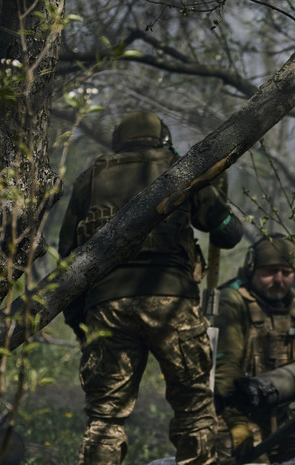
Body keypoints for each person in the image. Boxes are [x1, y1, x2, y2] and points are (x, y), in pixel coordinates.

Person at [58, 111, 243, 465]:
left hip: (107, 304)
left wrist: (81, 322)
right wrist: (215, 193)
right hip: (172, 300)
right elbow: (229, 234)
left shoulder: (90, 178)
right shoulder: (181, 169)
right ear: (163, 138)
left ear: (118, 139)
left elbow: (67, 259)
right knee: (195, 409)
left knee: (105, 418)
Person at [213, 234, 295, 464]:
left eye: (286, 273)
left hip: (282, 416)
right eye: (269, 271)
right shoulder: (232, 302)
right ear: (251, 269)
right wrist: (236, 422)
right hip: (232, 414)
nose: (278, 279)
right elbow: (225, 366)